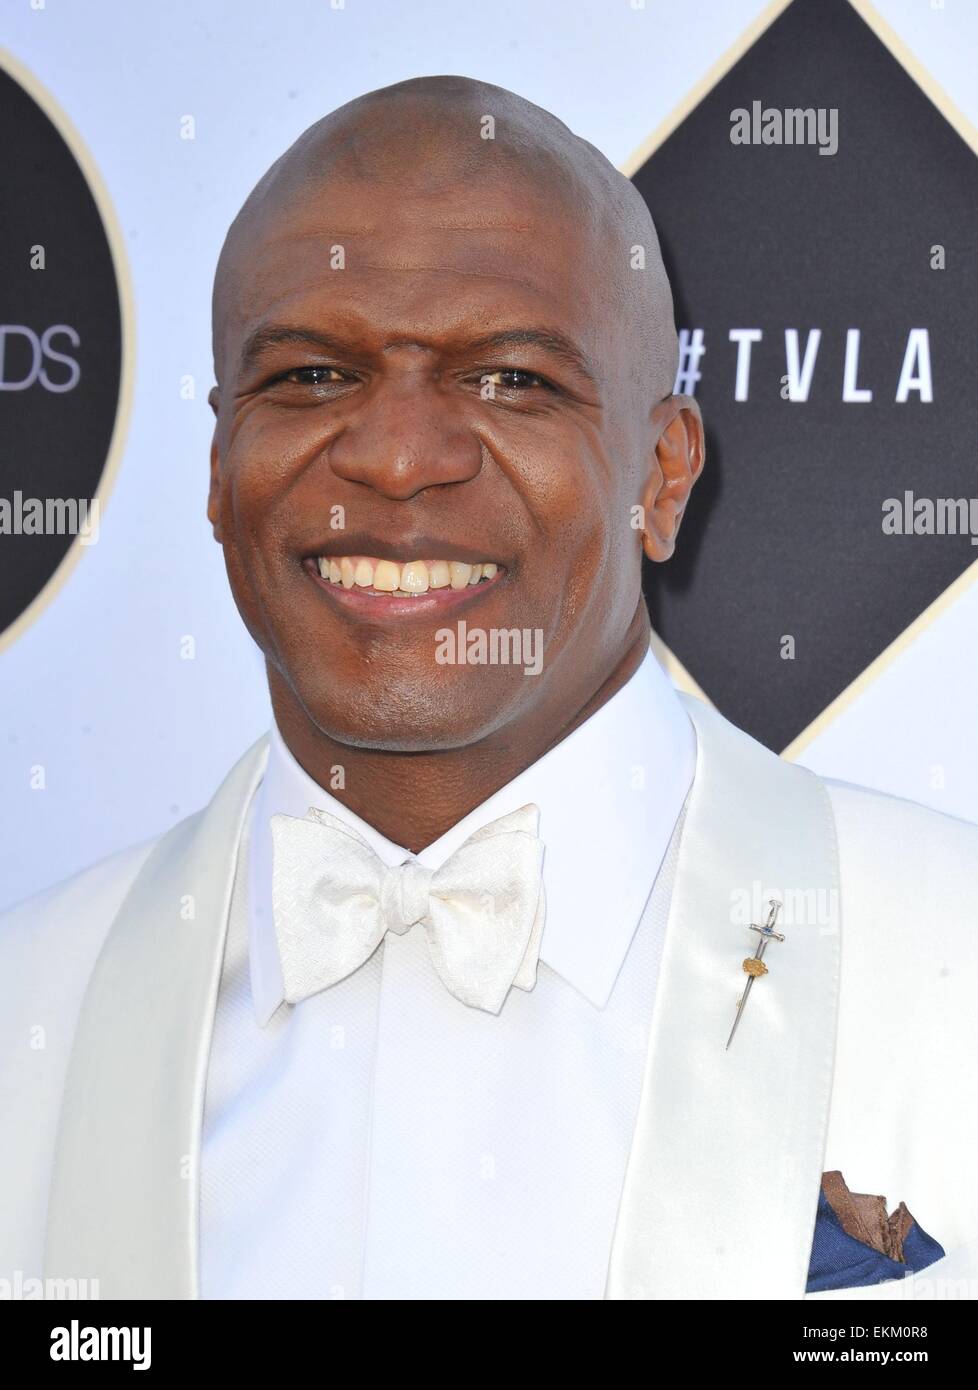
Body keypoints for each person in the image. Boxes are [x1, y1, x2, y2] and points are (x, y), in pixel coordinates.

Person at [2, 76, 976, 1302]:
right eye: (310, 376)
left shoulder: (957, 966)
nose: (399, 457)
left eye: (511, 379)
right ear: (215, 470)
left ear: (664, 476)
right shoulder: (28, 1007)